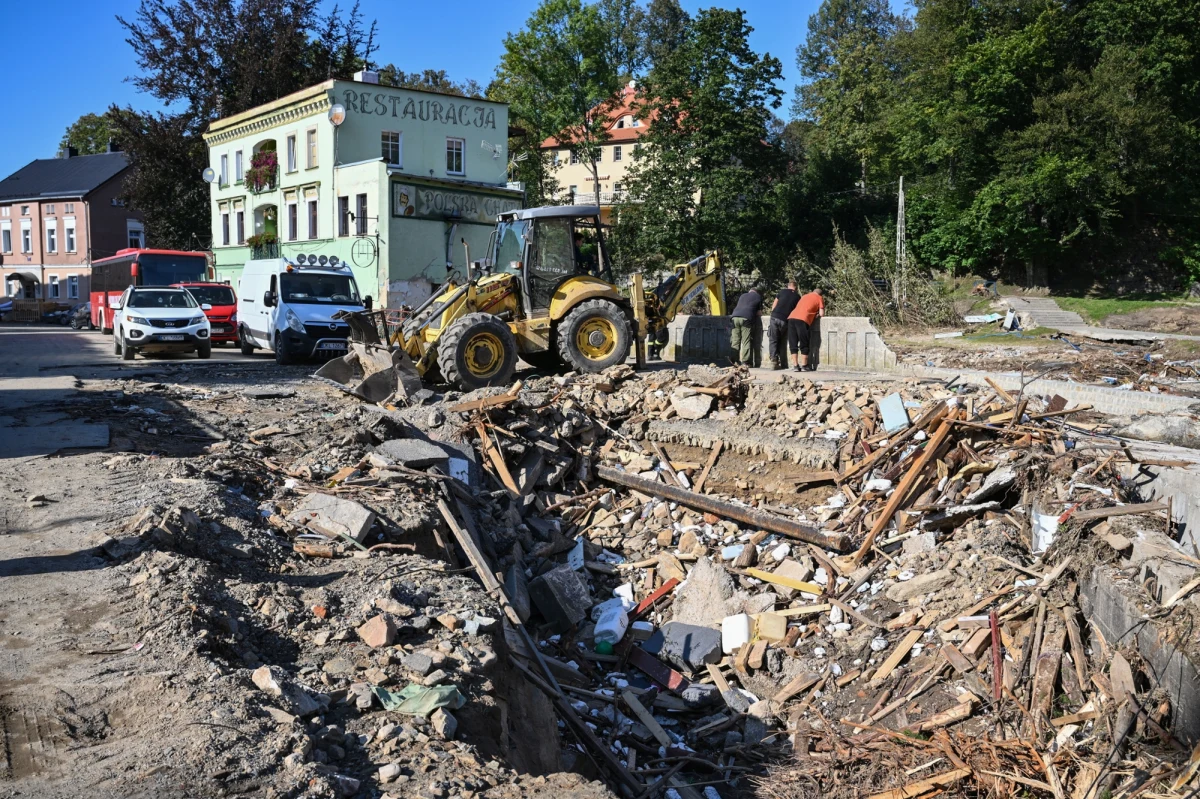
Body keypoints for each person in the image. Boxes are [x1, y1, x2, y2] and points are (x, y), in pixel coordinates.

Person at [788, 287, 824, 372]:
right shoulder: (819, 298)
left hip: (791, 318)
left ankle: (795, 366)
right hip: (803, 319)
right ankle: (804, 365)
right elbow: (822, 314)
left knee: (793, 342)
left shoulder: (804, 296)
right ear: (820, 294)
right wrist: (817, 314)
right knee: (804, 342)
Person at [767, 280, 799, 370]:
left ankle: (773, 361)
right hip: (785, 320)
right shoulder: (797, 296)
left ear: (788, 286)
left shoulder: (782, 292)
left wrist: (773, 314)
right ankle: (784, 363)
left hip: (774, 317)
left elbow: (774, 305)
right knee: (783, 341)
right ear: (795, 287)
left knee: (773, 339)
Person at [729, 286, 763, 367]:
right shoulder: (758, 297)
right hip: (746, 318)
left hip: (734, 317)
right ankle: (745, 361)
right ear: (756, 292)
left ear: (749, 291)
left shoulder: (742, 295)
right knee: (746, 341)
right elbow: (759, 313)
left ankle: (734, 361)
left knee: (735, 341)